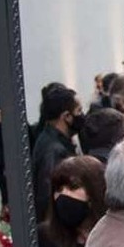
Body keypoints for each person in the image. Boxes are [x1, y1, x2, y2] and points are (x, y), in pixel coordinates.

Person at [31, 83, 80, 222]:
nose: (82, 116)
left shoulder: (49, 139)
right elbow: (48, 194)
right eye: (79, 111)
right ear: (67, 116)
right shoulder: (55, 150)